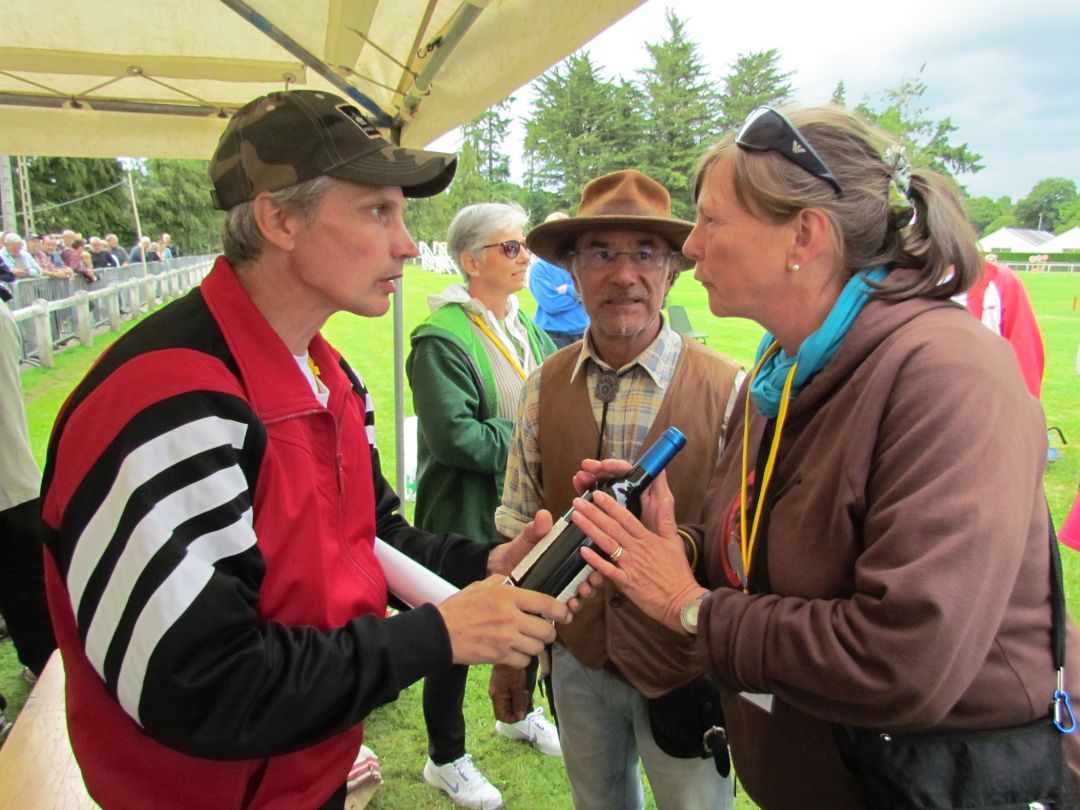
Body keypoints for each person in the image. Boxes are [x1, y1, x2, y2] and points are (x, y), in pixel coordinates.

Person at [39, 88, 572, 810]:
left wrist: (484, 564)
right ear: (279, 218)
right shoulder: (173, 402)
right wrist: (435, 635)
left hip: (301, 776)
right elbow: (200, 684)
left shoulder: (327, 374)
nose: (408, 244)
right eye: (377, 211)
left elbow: (369, 535)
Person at [569, 105, 1080, 808]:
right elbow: (779, 565)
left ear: (803, 236)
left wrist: (691, 608)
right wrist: (677, 548)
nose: (689, 248)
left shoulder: (948, 374)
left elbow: (902, 659)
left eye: (712, 221)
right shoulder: (782, 372)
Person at [492, 170, 742, 810]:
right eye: (601, 253)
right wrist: (513, 657)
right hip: (578, 661)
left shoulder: (730, 391)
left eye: (644, 254)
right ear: (572, 274)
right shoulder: (542, 385)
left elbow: (747, 551)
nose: (623, 274)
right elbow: (518, 530)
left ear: (672, 272)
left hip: (685, 667)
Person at [407, 201, 559, 808]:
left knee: (528, 617)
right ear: (471, 261)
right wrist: (532, 433)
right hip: (459, 520)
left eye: (525, 246)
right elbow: (456, 439)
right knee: (451, 642)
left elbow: (555, 394)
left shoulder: (527, 325)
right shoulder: (440, 337)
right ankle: (446, 759)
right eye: (511, 247)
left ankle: (515, 713)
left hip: (518, 513)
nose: (526, 257)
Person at [0, 301, 57, 685]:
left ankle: (47, 672)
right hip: (13, 482)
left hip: (11, 481)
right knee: (29, 593)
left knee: (30, 595)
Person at [956, 259, 1045, 398]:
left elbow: (1025, 355)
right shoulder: (912, 282)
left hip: (984, 404)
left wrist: (1022, 411)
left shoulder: (1000, 280)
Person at [528, 211, 589, 348]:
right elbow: (551, 304)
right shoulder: (539, 269)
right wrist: (579, 296)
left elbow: (592, 292)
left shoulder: (581, 263)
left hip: (585, 333)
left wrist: (568, 289)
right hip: (553, 336)